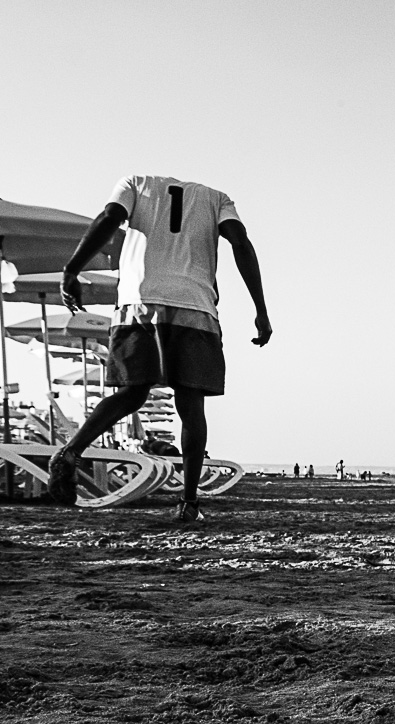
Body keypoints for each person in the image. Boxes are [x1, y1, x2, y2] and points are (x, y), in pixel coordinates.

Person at [47, 176, 272, 522]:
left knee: (132, 393)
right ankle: (189, 502)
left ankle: (71, 451)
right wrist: (261, 310)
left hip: (138, 301)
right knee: (191, 405)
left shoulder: (135, 184)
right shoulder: (217, 199)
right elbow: (240, 242)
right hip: (195, 304)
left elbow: (109, 218)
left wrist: (71, 270)